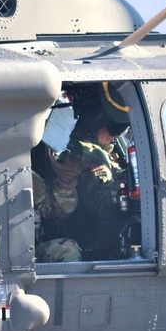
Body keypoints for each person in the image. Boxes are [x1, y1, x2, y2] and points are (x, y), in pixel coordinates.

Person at [47, 82, 133, 261]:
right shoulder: (85, 152)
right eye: (114, 128)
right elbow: (105, 206)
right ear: (96, 120)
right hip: (92, 238)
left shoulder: (99, 148)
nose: (116, 134)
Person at [33, 147, 84, 263]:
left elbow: (56, 209)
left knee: (67, 249)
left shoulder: (25, 178)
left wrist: (66, 185)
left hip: (28, 252)